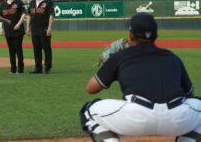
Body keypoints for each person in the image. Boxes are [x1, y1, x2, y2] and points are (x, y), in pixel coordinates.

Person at [80, 12, 201, 142]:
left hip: (135, 118)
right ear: (156, 35)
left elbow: (91, 89)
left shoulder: (121, 56)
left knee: (88, 111)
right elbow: (190, 95)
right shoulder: (172, 57)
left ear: (131, 34)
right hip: (177, 118)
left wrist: (111, 66)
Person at [26, 0, 54, 74]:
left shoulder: (48, 1)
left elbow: (51, 15)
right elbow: (29, 15)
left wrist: (49, 28)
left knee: (46, 49)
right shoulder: (32, 2)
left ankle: (47, 67)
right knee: (36, 49)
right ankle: (38, 68)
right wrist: (28, 28)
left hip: (44, 29)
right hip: (34, 29)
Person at [0, 0, 26, 74]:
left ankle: (20, 69)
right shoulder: (3, 5)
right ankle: (13, 69)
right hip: (8, 30)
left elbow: (23, 14)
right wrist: (1, 28)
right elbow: (0, 17)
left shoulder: (18, 2)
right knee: (11, 50)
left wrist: (19, 24)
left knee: (18, 49)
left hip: (18, 30)